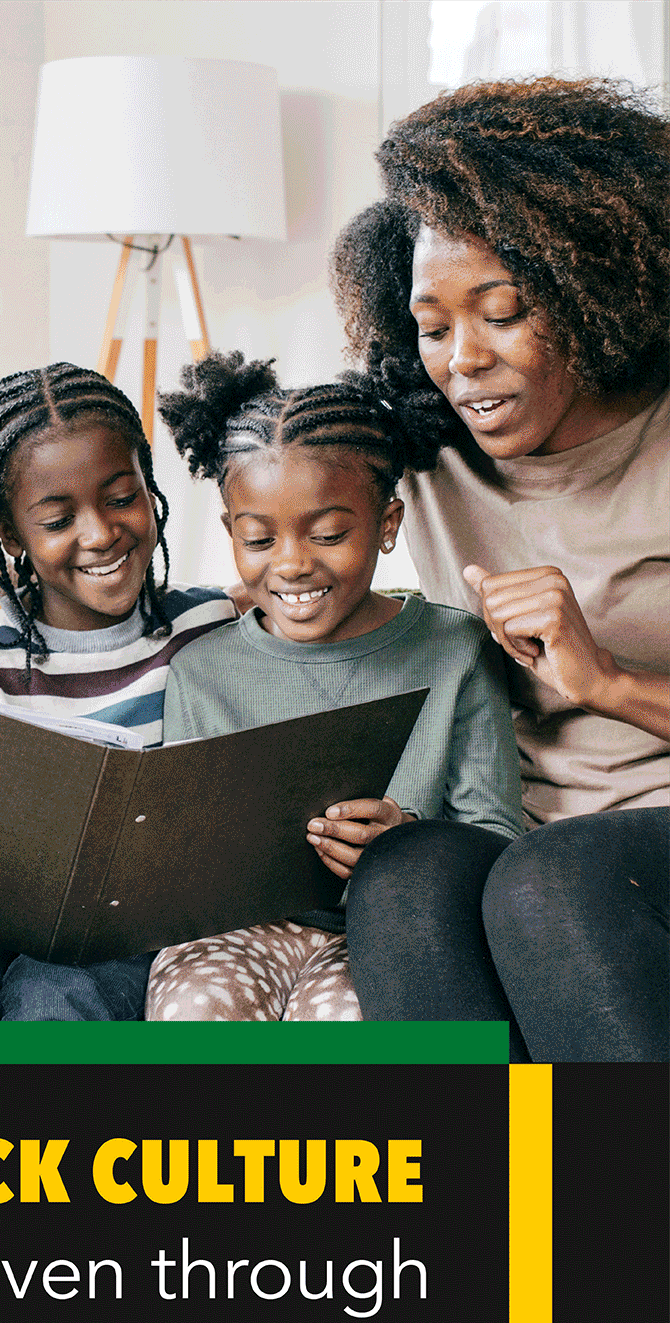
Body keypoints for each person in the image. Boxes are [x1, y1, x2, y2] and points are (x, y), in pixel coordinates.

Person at [330, 77, 669, 1061]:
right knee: (402, 873)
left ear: (595, 291)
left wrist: (602, 680)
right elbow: (278, 510)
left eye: (503, 310)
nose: (463, 360)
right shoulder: (418, 453)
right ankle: (491, 1205)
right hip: (516, 823)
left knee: (554, 879)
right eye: (434, 326)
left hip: (632, 843)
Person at [143, 352, 522, 1023]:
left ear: (387, 526)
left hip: (384, 935)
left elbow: (494, 834)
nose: (291, 563)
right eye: (258, 539)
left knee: (346, 1026)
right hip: (237, 931)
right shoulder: (201, 669)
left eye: (328, 534)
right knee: (195, 1010)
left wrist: (404, 841)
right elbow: (187, 855)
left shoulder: (454, 650)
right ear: (231, 532)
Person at [0, 363, 235, 1021]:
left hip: (123, 922)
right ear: (11, 536)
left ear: (149, 487)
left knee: (55, 998)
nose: (100, 533)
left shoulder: (212, 629)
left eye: (120, 497)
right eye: (57, 519)